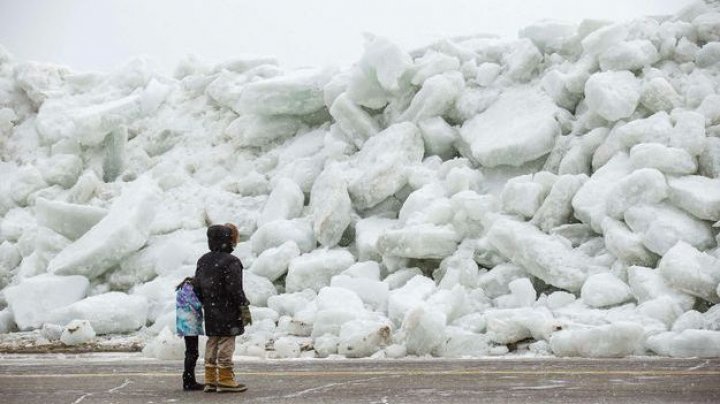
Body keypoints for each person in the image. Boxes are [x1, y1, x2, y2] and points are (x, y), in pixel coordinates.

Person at [194, 223, 249, 393]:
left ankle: (210, 379)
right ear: (228, 240)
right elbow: (235, 288)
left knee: (213, 340)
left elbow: (197, 285)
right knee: (227, 339)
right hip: (228, 308)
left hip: (210, 308)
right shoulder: (231, 261)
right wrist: (243, 306)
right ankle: (225, 378)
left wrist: (206, 301)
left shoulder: (203, 260)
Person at [175, 277, 204, 391]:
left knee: (191, 352)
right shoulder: (188, 288)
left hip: (185, 323)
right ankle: (188, 381)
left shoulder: (184, 288)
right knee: (192, 352)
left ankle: (189, 379)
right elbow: (195, 304)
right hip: (189, 324)